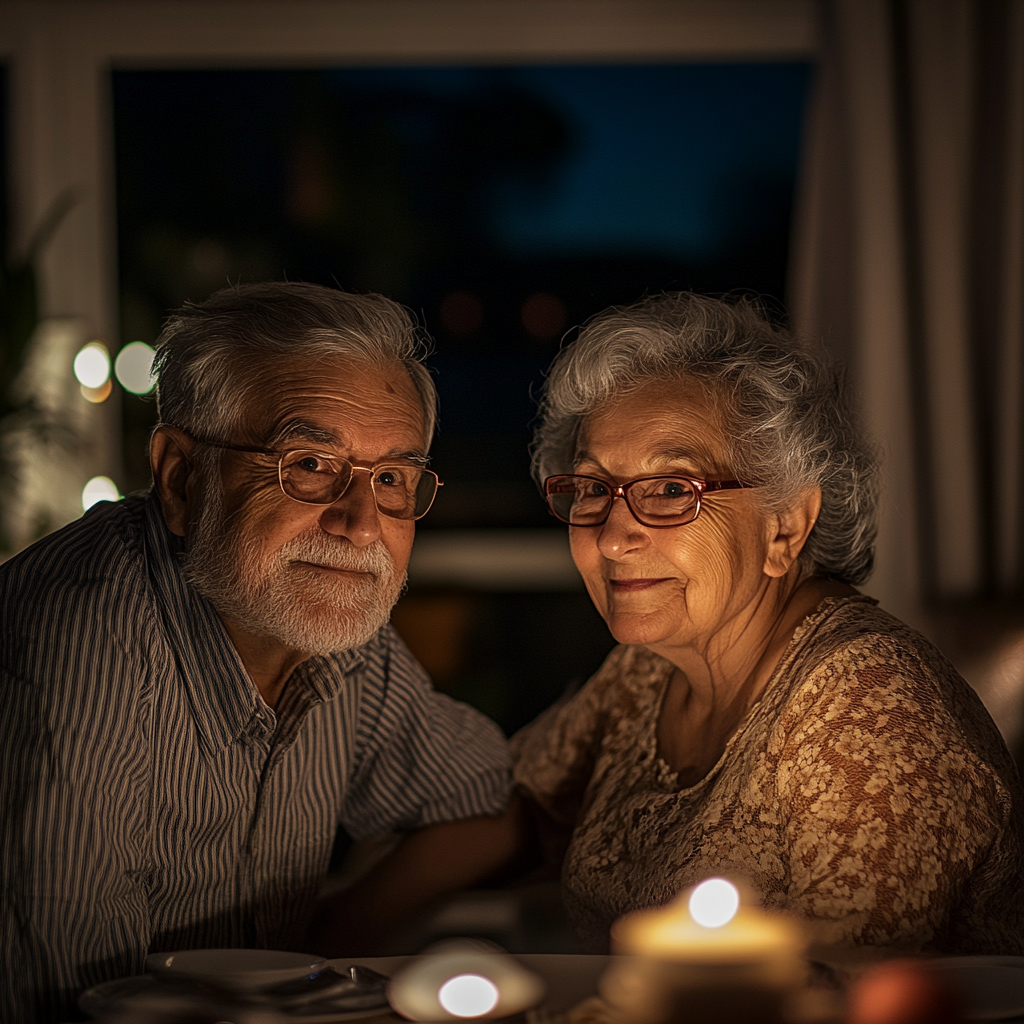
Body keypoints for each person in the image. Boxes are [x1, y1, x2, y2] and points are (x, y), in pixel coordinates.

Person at [0, 282, 518, 1023]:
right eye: (309, 463)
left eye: (394, 478)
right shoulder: (71, 651)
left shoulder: (332, 634)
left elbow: (484, 808)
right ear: (181, 479)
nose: (362, 524)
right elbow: (77, 1009)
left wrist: (314, 963)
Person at [512, 292, 1024, 956]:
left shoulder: (868, 707)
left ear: (785, 527)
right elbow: (500, 813)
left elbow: (843, 997)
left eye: (672, 489)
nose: (612, 539)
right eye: (591, 489)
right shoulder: (647, 671)